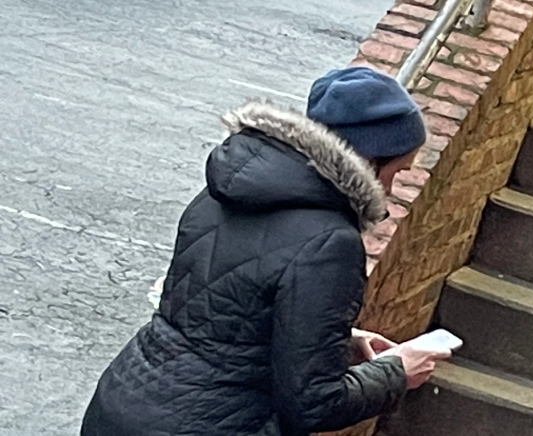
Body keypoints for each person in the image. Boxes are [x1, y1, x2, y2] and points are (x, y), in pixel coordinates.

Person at [81, 66, 449, 436]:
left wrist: (336, 341)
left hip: (120, 404)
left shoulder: (220, 193)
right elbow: (315, 404)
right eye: (396, 173)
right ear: (369, 160)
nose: (389, 190)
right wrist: (397, 370)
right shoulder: (331, 242)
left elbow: (217, 316)